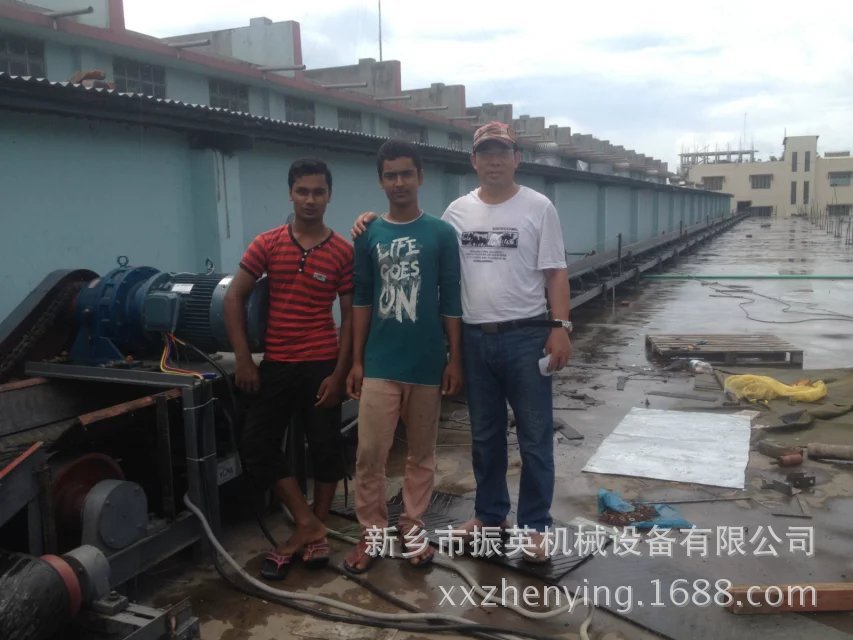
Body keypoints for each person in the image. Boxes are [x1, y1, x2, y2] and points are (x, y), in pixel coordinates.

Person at [353, 122, 572, 563]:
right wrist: (369, 219)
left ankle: (535, 526)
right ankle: (490, 516)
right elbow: (415, 231)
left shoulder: (539, 207)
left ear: (516, 158)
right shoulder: (457, 213)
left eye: (502, 151)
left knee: (534, 436)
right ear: (473, 161)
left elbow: (556, 272)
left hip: (527, 335)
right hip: (475, 338)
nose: (494, 160)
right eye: (485, 152)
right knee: (485, 436)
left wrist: (560, 326)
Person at [224, 158, 353, 580]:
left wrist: (340, 373)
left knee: (325, 448)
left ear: (329, 196)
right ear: (291, 194)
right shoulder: (267, 243)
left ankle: (312, 532)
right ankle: (308, 523)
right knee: (256, 444)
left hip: (322, 365)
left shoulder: (342, 251)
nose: (310, 200)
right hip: (276, 364)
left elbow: (351, 316)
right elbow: (234, 297)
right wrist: (244, 358)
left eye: (318, 192)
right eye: (303, 191)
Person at [343, 139, 463, 573]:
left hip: (427, 364)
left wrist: (454, 358)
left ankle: (412, 527)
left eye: (406, 174)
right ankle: (372, 533)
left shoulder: (441, 234)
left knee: (421, 454)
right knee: (369, 454)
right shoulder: (369, 234)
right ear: (380, 181)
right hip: (380, 363)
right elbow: (361, 298)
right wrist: (357, 361)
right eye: (390, 175)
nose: (399, 182)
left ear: (420, 177)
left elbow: (451, 299)